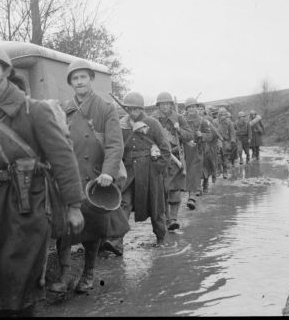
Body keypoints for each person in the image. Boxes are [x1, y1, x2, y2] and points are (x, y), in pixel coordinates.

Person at [0, 45, 85, 316]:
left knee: (21, 284)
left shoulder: (35, 111)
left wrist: (74, 205)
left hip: (28, 207)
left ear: (6, 71)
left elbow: (63, 159)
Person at [51, 59, 127, 297]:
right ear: (71, 83)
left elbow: (115, 145)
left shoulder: (105, 107)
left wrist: (107, 172)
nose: (80, 82)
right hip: (69, 177)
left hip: (95, 179)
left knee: (93, 231)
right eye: (75, 78)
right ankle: (64, 276)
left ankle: (88, 274)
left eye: (83, 77)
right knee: (64, 229)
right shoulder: (64, 108)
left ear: (91, 79)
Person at [102, 92, 171, 255]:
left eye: (136, 109)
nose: (133, 112)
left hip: (149, 172)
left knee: (156, 207)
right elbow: (117, 148)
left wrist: (156, 169)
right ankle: (117, 242)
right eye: (129, 109)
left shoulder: (152, 123)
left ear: (142, 108)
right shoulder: (121, 125)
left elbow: (165, 150)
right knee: (122, 204)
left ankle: (161, 238)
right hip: (128, 172)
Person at [152, 92, 192, 231]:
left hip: (176, 158)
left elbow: (189, 135)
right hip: (159, 158)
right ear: (158, 105)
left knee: (175, 189)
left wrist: (178, 129)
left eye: (167, 104)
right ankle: (166, 219)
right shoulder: (153, 119)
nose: (164, 107)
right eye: (162, 104)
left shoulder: (178, 118)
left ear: (171, 105)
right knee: (162, 190)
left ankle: (173, 219)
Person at [183, 98, 214, 207]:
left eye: (194, 107)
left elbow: (210, 136)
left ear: (197, 108)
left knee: (193, 172)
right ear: (186, 109)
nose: (192, 109)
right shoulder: (182, 120)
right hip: (184, 150)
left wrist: (202, 135)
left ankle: (191, 197)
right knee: (185, 172)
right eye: (189, 107)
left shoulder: (203, 121)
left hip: (197, 150)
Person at [197, 104, 219, 193]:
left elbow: (213, 133)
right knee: (197, 166)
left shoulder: (208, 119)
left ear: (204, 110)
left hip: (207, 145)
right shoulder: (192, 119)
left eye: (201, 109)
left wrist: (203, 137)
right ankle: (198, 187)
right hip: (195, 146)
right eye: (198, 108)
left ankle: (206, 183)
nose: (199, 110)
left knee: (207, 165)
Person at [216, 107, 236, 178]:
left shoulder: (229, 123)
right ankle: (218, 170)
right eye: (222, 114)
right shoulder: (215, 122)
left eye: (225, 114)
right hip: (217, 142)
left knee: (225, 158)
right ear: (219, 115)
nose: (223, 116)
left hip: (226, 142)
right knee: (218, 158)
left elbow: (232, 133)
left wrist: (232, 141)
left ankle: (225, 171)